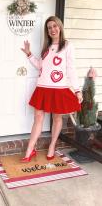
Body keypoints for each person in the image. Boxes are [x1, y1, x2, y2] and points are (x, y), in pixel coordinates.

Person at [21, 15, 83, 162]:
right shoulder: (47, 48)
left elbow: (71, 69)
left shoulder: (68, 46)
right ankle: (30, 150)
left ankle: (52, 145)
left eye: (54, 26)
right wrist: (29, 54)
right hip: (42, 87)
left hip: (58, 88)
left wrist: (77, 89)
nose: (52, 29)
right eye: (49, 28)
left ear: (60, 27)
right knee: (38, 117)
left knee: (57, 117)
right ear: (47, 31)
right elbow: (40, 66)